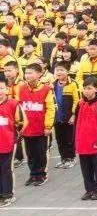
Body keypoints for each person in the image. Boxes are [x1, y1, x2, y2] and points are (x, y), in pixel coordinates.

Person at [17, 63, 54, 187]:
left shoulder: (46, 89)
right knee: (30, 153)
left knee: (41, 153)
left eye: (30, 73)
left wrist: (48, 126)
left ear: (39, 74)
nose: (27, 75)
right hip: (27, 129)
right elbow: (18, 108)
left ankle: (41, 174)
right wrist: (19, 125)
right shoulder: (21, 89)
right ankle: (33, 174)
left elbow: (50, 108)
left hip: (41, 129)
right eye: (26, 73)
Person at [75, 79, 97, 201]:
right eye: (85, 88)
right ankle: (89, 189)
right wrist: (75, 140)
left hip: (95, 142)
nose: (86, 91)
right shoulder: (79, 104)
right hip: (82, 141)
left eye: (89, 88)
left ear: (96, 89)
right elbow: (76, 124)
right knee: (85, 168)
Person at [0, 78, 25, 207]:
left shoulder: (14, 104)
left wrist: (15, 135)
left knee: (6, 168)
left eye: (1, 88)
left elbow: (22, 122)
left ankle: (8, 194)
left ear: (7, 89)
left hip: (8, 142)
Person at [52, 62, 79, 169]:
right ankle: (63, 158)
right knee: (59, 139)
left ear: (67, 71)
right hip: (57, 117)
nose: (59, 72)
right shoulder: (53, 85)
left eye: (61, 70)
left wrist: (73, 114)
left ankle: (71, 158)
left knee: (69, 139)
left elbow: (77, 100)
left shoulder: (73, 84)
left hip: (68, 117)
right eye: (57, 70)